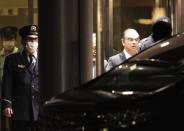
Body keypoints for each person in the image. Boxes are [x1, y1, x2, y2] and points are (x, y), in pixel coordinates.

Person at [1, 24, 39, 131]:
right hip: (20, 109)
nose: (33, 42)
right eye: (30, 39)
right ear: (23, 41)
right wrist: (7, 104)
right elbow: (7, 83)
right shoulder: (12, 59)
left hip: (39, 108)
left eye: (35, 39)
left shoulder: (45, 58)